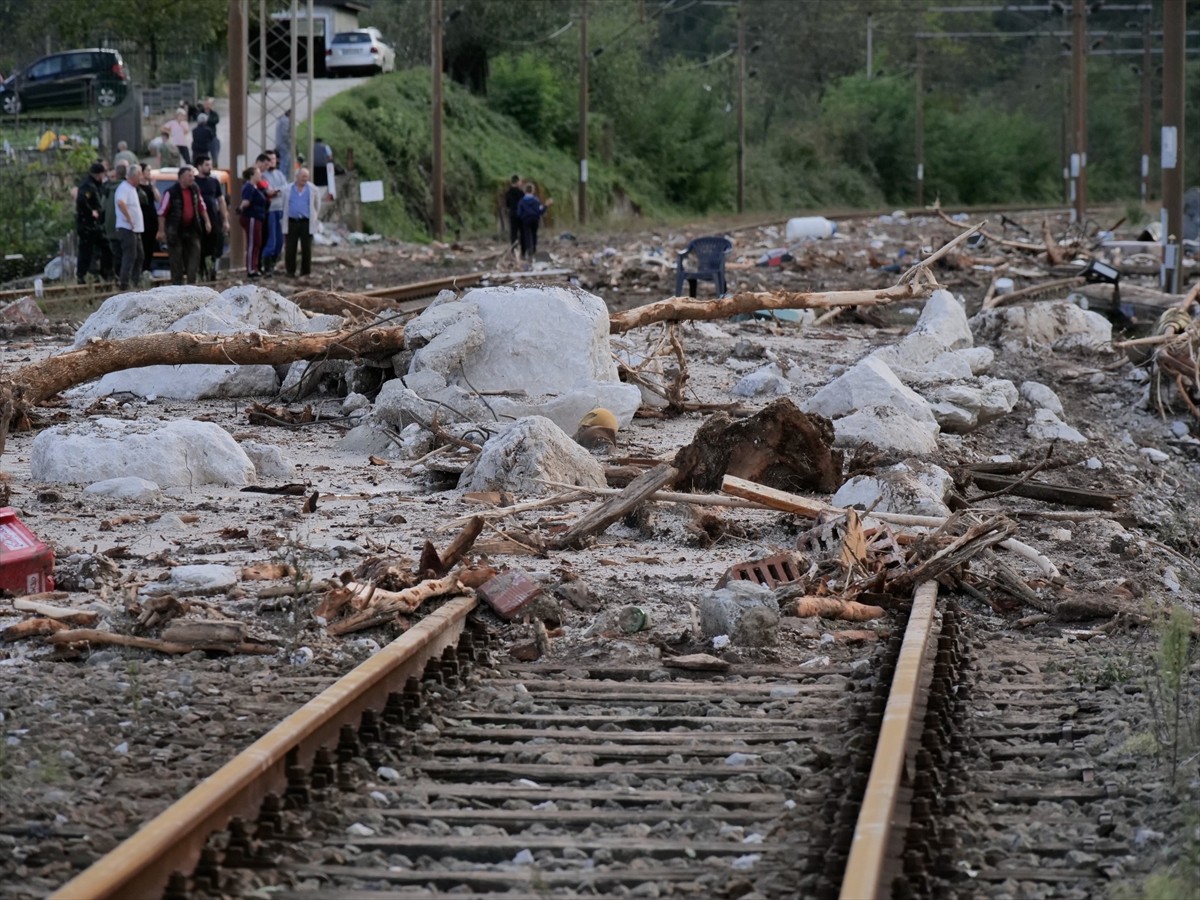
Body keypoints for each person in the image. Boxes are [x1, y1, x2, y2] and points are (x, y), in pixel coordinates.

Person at [156, 165, 211, 285]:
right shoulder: (170, 192)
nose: (192, 178)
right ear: (181, 178)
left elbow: (201, 206)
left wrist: (207, 221)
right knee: (176, 261)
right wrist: (161, 231)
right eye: (189, 176)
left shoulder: (195, 189)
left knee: (194, 256)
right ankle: (177, 286)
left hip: (192, 229)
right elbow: (161, 213)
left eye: (193, 176)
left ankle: (192, 283)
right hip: (175, 231)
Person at [193, 155, 229, 281]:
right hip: (198, 221)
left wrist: (225, 220)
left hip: (214, 219)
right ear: (199, 166)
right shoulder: (194, 182)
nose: (209, 167)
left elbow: (221, 201)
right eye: (207, 165)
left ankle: (211, 272)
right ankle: (200, 273)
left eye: (210, 165)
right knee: (200, 248)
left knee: (214, 247)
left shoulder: (214, 181)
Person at [75, 161, 111, 283]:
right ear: (99, 174)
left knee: (104, 248)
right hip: (87, 225)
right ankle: (82, 276)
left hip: (94, 225)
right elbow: (81, 200)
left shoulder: (95, 185)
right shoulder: (88, 186)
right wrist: (91, 212)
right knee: (86, 251)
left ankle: (104, 274)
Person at [113, 164, 144, 290]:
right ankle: (125, 285)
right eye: (140, 175)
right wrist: (130, 219)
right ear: (134, 176)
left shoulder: (132, 188)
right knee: (130, 256)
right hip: (127, 228)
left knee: (139, 256)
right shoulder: (124, 188)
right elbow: (121, 202)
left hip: (134, 229)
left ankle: (135, 282)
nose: (141, 178)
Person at [282, 167, 318, 277]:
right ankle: (290, 271)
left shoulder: (313, 189)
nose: (305, 179)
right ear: (297, 177)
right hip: (292, 221)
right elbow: (284, 204)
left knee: (306, 248)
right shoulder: (288, 189)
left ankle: (305, 271)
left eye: (306, 177)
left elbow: (317, 205)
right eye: (303, 176)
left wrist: (314, 217)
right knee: (290, 248)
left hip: (306, 222)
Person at [238, 165, 269, 277]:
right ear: (252, 175)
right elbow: (246, 201)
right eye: (258, 173)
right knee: (252, 243)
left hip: (258, 218)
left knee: (257, 242)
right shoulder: (249, 187)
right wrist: (241, 207)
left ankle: (255, 267)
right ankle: (250, 268)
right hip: (252, 217)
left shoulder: (255, 187)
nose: (260, 175)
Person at [260, 150, 288, 273]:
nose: (272, 162)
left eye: (274, 159)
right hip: (270, 209)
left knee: (280, 240)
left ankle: (273, 263)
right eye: (270, 160)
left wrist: (276, 191)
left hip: (280, 208)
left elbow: (285, 188)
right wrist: (276, 191)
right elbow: (268, 190)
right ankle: (267, 265)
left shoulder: (280, 174)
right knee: (271, 238)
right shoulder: (263, 175)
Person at [102, 163, 127, 282]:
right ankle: (123, 278)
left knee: (115, 252)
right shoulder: (128, 187)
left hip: (110, 226)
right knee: (126, 253)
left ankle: (116, 276)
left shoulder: (108, 188)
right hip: (126, 225)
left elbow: (103, 206)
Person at [516, 182, 552, 261]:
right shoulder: (536, 201)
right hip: (535, 219)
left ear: (524, 191)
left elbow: (519, 213)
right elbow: (540, 211)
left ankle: (528, 250)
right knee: (534, 235)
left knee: (527, 235)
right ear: (533, 191)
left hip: (525, 220)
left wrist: (521, 218)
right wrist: (546, 205)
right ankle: (534, 250)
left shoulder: (522, 201)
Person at [137, 163, 160, 281]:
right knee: (142, 246)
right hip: (142, 218)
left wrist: (153, 186)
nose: (150, 173)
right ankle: (140, 270)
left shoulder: (150, 186)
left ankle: (147, 269)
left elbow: (158, 199)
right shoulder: (137, 187)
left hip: (151, 218)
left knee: (150, 244)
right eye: (148, 171)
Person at [504, 174, 524, 256]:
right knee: (522, 231)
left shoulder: (508, 192)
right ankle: (523, 249)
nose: (521, 183)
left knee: (513, 232)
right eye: (520, 181)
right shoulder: (520, 193)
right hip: (520, 214)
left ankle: (514, 248)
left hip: (512, 214)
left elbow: (507, 204)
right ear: (517, 182)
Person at [201, 97, 221, 166]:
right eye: (205, 104)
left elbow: (216, 120)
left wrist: (206, 121)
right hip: (202, 138)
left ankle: (215, 167)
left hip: (212, 137)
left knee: (214, 155)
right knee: (202, 157)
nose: (207, 105)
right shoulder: (200, 112)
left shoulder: (214, 114)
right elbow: (197, 119)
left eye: (208, 104)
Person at [274, 108, 291, 177]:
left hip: (280, 144)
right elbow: (285, 134)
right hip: (284, 145)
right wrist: (290, 143)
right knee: (285, 162)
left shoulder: (281, 120)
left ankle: (284, 176)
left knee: (284, 161)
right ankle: (283, 176)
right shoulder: (285, 121)